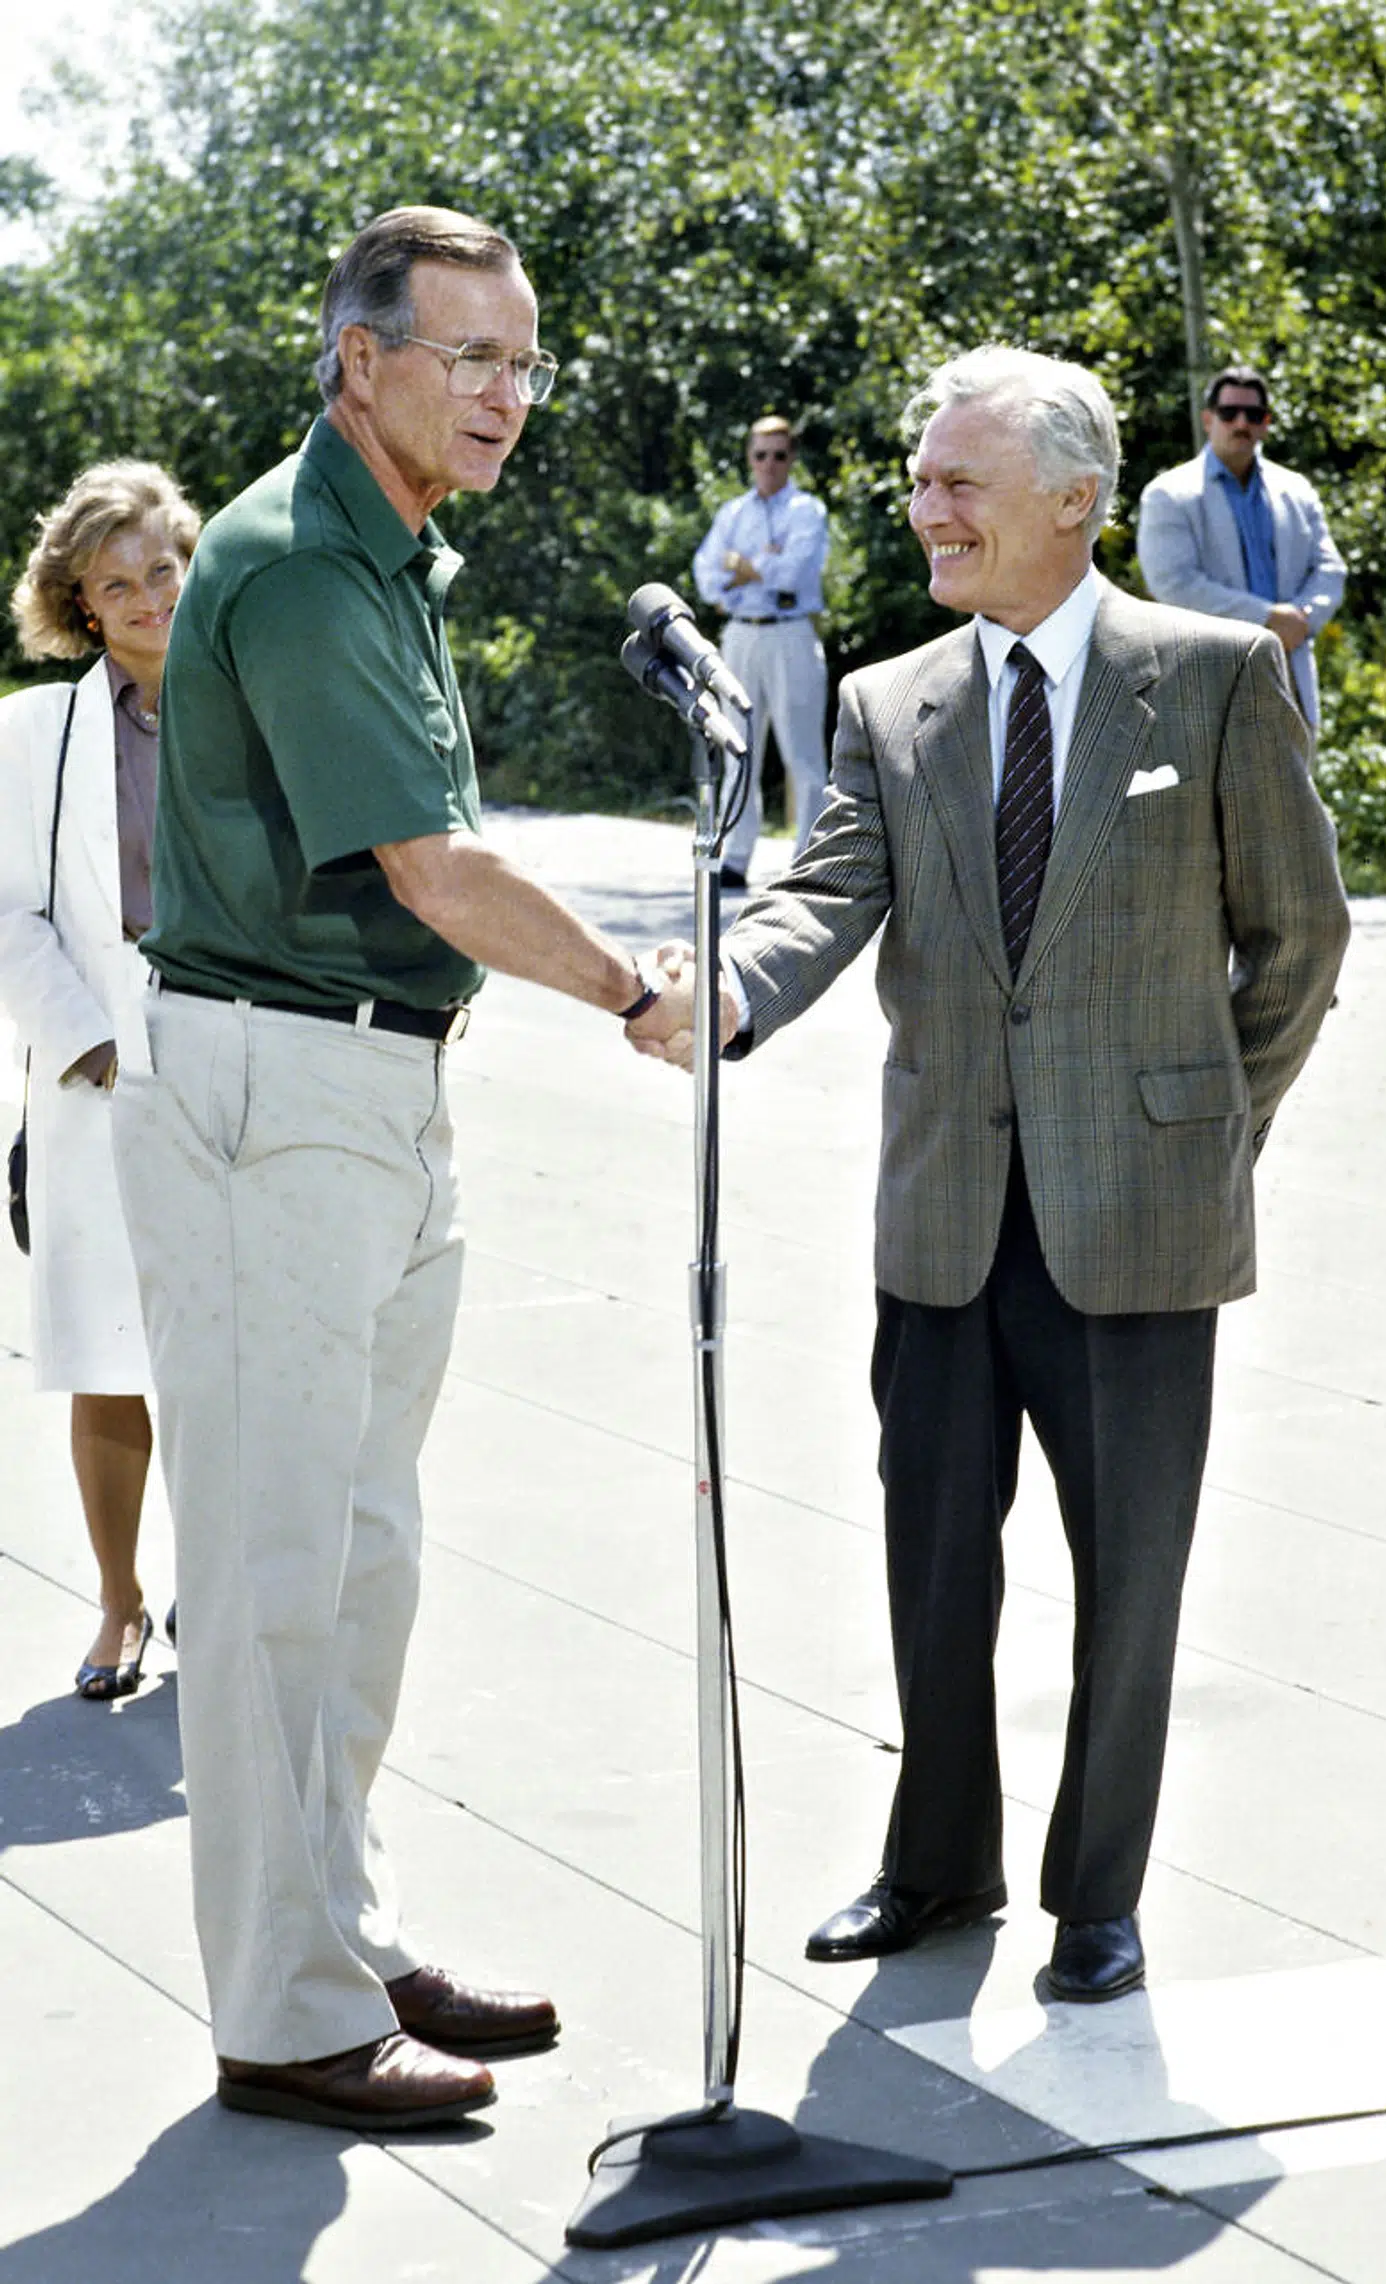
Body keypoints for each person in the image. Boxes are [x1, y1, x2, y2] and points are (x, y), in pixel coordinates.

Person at [635, 346, 1349, 2003]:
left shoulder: (1221, 673)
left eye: (960, 479)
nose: (924, 504)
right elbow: (824, 892)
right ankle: (938, 1862)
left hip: (1142, 1222)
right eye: (920, 476)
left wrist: (1204, 1125)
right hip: (946, 1218)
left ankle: (1096, 1890)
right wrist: (730, 986)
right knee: (936, 1567)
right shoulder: (892, 702)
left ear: (1074, 501)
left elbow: (1298, 943)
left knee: (1133, 1572)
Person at [110, 206, 689, 2133]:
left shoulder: (390, 551)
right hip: (279, 1091)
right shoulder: (293, 562)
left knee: (361, 1556)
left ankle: (339, 1935)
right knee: (276, 1567)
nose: (508, 394)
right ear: (363, 358)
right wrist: (631, 986)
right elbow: (437, 871)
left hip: (365, 1088)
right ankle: (282, 2012)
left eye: (526, 363)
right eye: (473, 358)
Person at [0, 462, 199, 1700]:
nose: (145, 598)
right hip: (97, 1076)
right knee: (113, 1353)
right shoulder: (33, 731)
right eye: (114, 583)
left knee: (233, 1356)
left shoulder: (256, 694)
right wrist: (91, 1042)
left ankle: (217, 1591)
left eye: (163, 569)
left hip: (242, 1055)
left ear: (192, 561)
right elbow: (7, 911)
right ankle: (122, 1602)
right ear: (78, 601)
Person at [1136, 364, 1345, 734]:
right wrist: (1266, 619)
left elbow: (1330, 569)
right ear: (1207, 419)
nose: (1241, 423)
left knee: (1294, 792)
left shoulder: (1297, 490)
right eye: (1229, 413)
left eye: (1253, 414)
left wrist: (1303, 618)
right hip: (1210, 686)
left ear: (1266, 423)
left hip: (1289, 676)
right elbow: (1173, 584)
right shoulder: (1168, 494)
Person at [692, 415, 830, 889]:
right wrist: (757, 566)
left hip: (790, 632)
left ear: (791, 458)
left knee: (803, 754)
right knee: (739, 748)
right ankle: (736, 857)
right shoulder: (732, 514)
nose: (768, 464)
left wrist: (748, 568)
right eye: (760, 454)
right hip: (740, 635)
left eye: (778, 454)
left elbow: (794, 572)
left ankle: (807, 859)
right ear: (748, 457)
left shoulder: (807, 511)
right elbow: (707, 576)